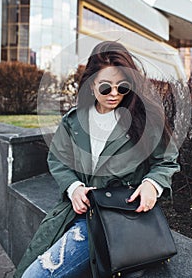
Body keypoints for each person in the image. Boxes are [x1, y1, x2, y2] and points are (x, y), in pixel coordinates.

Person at [14, 41, 180, 278]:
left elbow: (167, 160)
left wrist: (152, 184)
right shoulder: (74, 120)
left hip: (120, 216)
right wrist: (74, 188)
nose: (114, 94)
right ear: (92, 85)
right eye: (106, 88)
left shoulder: (144, 119)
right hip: (76, 212)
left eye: (122, 87)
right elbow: (58, 160)